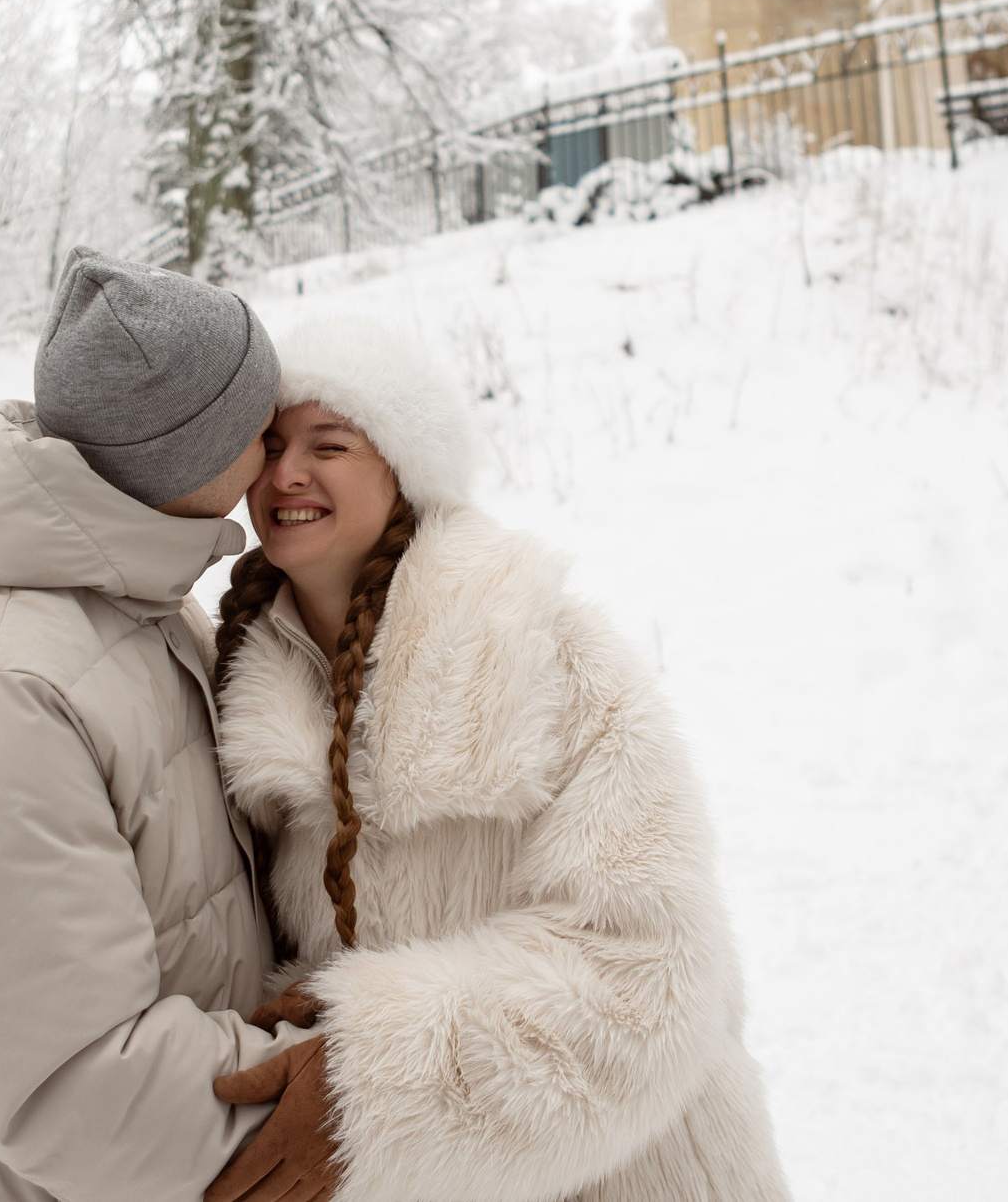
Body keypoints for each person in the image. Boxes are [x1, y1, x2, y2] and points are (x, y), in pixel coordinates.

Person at [202, 317, 792, 1202]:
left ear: (403, 468)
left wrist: (375, 1073)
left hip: (640, 1172)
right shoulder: (249, 685)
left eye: (330, 444)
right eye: (274, 445)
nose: (288, 473)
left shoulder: (542, 646)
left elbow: (655, 974)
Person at [0, 248, 312, 1202]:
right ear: (194, 453)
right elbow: (81, 1091)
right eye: (262, 420)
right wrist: (354, 1084)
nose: (284, 438)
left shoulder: (135, 614)